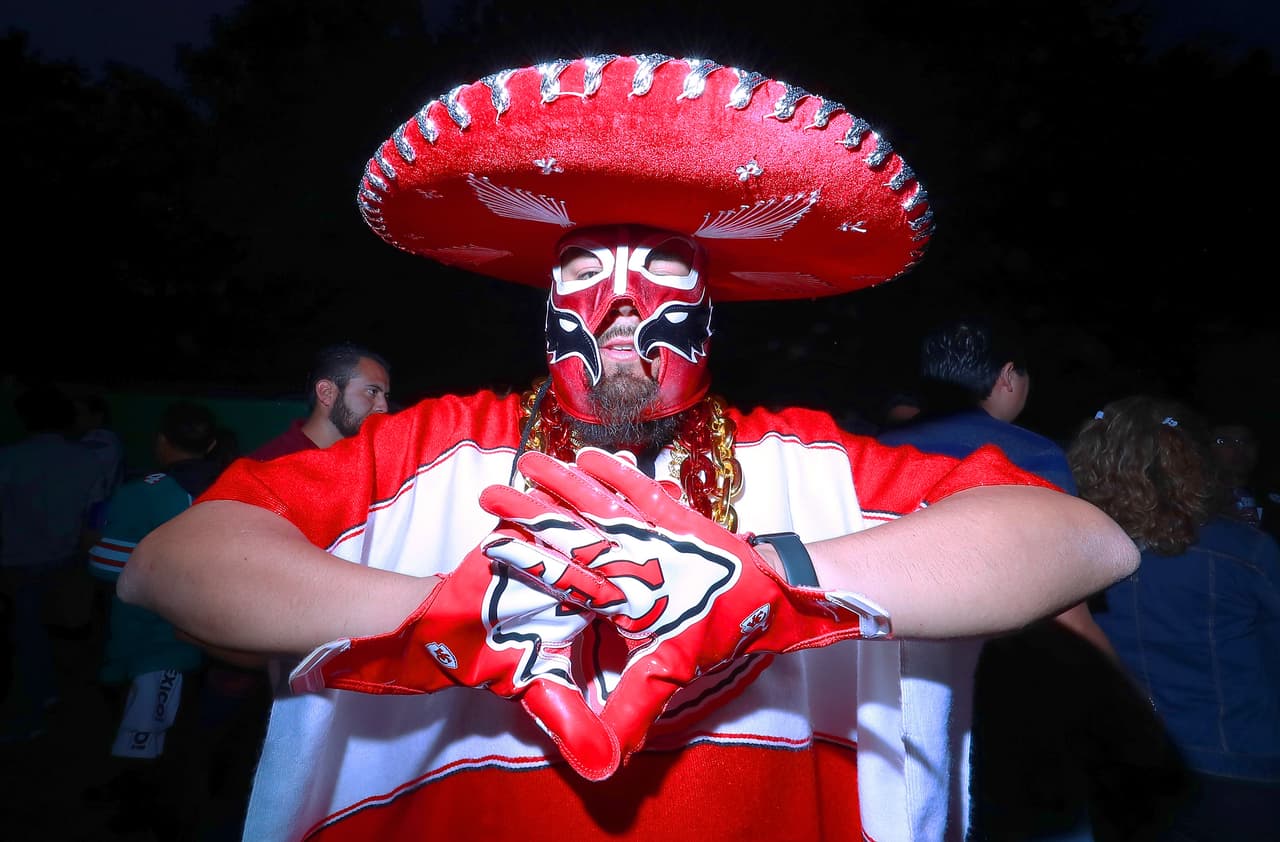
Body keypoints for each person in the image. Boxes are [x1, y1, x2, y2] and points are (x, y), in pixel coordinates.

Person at [117, 54, 1139, 841]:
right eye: (584, 277)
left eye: (658, 273)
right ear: (542, 306)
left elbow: (1082, 541)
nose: (617, 310)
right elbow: (175, 565)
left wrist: (771, 580)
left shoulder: (810, 462)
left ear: (711, 313)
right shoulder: (429, 450)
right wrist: (435, 613)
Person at [877, 314, 1117, 840]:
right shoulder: (1030, 454)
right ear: (1008, 376)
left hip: (896, 690)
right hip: (1008, 698)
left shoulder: (875, 447)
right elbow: (1066, 607)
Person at [1068, 396, 1280, 841]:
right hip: (1234, 767)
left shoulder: (1070, 552)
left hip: (1125, 769)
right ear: (1189, 459)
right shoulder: (1246, 551)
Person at [85, 399, 225, 836]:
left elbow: (106, 565)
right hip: (204, 633)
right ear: (213, 444)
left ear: (162, 442)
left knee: (149, 733)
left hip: (151, 637)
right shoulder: (234, 485)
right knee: (161, 727)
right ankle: (141, 798)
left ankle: (144, 818)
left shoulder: (143, 490)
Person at [0, 383, 109, 741]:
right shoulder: (87, 459)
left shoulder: (11, 457)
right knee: (50, 630)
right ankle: (49, 694)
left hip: (19, 559)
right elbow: (94, 511)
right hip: (67, 555)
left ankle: (30, 713)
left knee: (27, 634)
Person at [247, 341, 391, 460]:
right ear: (326, 392)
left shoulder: (371, 462)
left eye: (385, 396)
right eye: (372, 392)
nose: (384, 407)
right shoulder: (268, 466)